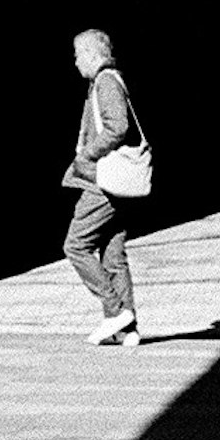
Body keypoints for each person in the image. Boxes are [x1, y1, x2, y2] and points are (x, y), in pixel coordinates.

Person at [61, 28, 143, 346]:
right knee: (112, 253)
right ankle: (129, 328)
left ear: (93, 55)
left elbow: (118, 126)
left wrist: (87, 154)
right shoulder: (106, 81)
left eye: (78, 54)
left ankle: (114, 312)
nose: (75, 60)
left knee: (76, 245)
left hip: (104, 182)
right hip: (117, 184)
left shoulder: (106, 82)